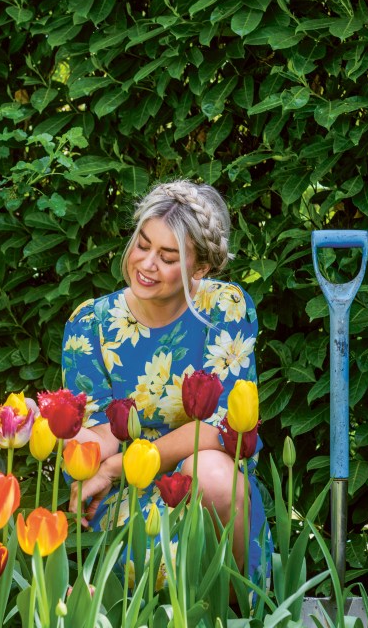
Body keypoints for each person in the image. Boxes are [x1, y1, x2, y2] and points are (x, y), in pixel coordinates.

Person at [62, 179, 271, 586]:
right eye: (143, 245)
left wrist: (116, 465)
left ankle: (235, 610)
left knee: (207, 469)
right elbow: (99, 429)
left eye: (168, 256)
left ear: (201, 268)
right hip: (127, 491)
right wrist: (45, 428)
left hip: (206, 484)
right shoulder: (90, 323)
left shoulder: (224, 309)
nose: (147, 264)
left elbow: (220, 432)